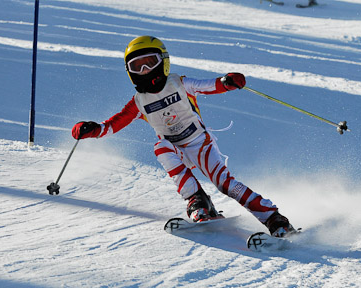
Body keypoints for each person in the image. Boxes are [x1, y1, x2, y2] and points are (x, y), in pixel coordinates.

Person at [71, 36, 295, 237]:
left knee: (225, 184)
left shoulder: (180, 83)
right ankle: (197, 201)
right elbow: (113, 124)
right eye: (137, 67)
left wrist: (226, 82)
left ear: (163, 62)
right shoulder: (139, 102)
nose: (146, 70)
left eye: (150, 62)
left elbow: (209, 85)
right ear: (130, 72)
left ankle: (274, 219)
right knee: (161, 147)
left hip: (201, 144)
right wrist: (91, 129)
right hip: (175, 149)